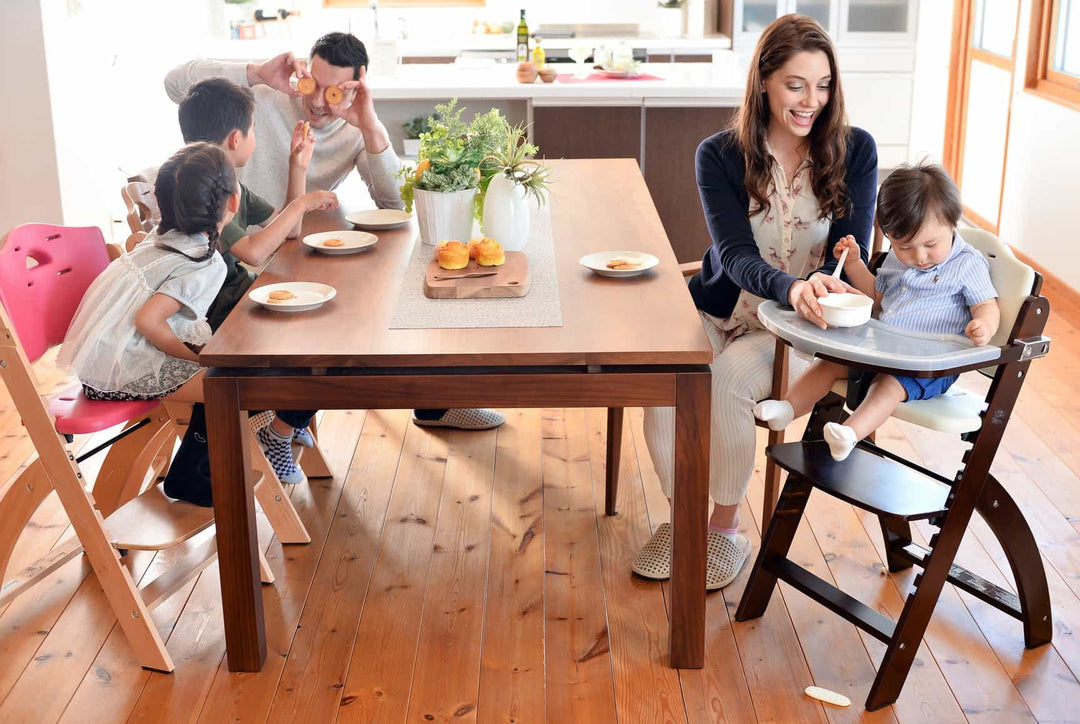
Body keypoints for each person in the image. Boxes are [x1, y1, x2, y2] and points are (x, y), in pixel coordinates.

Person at [634, 15, 879, 590]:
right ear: (764, 80)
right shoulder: (719, 154)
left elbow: (848, 253)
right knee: (667, 377)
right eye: (796, 84)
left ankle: (723, 529)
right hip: (725, 303)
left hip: (798, 323)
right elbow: (737, 255)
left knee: (725, 385)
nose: (811, 101)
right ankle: (684, 515)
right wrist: (788, 283)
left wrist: (806, 291)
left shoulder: (855, 150)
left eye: (822, 85)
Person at [164, 31, 505, 432]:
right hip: (243, 260)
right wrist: (254, 71)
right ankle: (283, 427)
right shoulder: (264, 96)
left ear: (357, 84)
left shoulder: (353, 127)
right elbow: (174, 84)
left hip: (291, 245)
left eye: (332, 91)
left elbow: (397, 203)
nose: (314, 100)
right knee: (349, 322)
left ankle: (434, 402)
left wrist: (371, 127)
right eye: (314, 83)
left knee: (398, 290)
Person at [163, 77, 337, 499]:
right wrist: (302, 203)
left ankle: (281, 426)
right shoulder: (203, 190)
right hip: (225, 321)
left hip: (242, 304)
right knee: (330, 347)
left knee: (329, 332)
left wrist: (298, 167)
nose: (255, 138)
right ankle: (277, 431)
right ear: (237, 137)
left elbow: (287, 233)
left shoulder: (224, 179)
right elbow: (256, 251)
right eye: (255, 129)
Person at [753, 163, 999, 461]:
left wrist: (983, 325)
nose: (919, 257)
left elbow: (986, 304)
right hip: (883, 351)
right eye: (905, 247)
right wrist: (855, 263)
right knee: (829, 364)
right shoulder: (897, 259)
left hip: (928, 366)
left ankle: (850, 433)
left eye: (931, 244)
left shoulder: (966, 264)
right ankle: (787, 408)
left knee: (888, 385)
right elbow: (877, 299)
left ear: (952, 223)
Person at [58, 143, 233, 406]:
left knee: (226, 373)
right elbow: (148, 321)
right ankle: (211, 445)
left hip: (99, 365)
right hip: (115, 376)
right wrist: (192, 359)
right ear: (233, 201)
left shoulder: (160, 237)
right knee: (234, 389)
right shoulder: (205, 262)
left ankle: (215, 441)